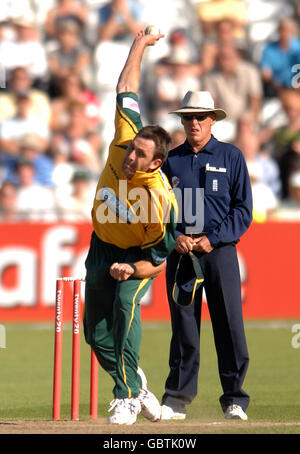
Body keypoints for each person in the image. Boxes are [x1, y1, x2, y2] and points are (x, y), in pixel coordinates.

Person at [83, 30, 178, 425]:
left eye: (140, 154)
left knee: (125, 304)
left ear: (156, 163)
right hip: (102, 245)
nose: (129, 155)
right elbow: (126, 88)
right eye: (132, 146)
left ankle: (124, 397)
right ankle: (137, 384)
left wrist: (131, 269)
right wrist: (139, 44)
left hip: (137, 257)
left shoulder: (160, 201)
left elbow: (159, 261)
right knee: (94, 333)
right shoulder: (125, 137)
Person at [160, 90, 252, 421]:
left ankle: (235, 399)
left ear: (213, 119)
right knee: (184, 324)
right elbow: (159, 211)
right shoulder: (171, 159)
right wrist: (176, 238)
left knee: (229, 323)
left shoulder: (231, 156)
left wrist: (213, 239)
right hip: (182, 253)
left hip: (220, 252)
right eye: (188, 117)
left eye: (200, 116)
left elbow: (243, 210)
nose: (194, 122)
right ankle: (177, 398)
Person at [260, 18, 300, 97]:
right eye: (283, 30)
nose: (285, 33)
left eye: (288, 30)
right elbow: (266, 72)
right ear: (278, 31)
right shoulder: (269, 49)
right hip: (276, 89)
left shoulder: (298, 48)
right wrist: (278, 87)